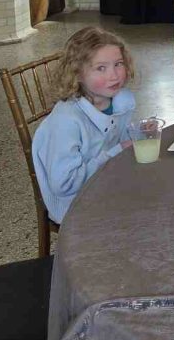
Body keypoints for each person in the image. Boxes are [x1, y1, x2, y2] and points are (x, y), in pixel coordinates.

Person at [32, 27, 135, 224]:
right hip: (75, 206)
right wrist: (116, 152)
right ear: (77, 73)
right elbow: (64, 184)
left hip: (109, 185)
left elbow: (119, 141)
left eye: (118, 64)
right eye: (101, 68)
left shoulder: (121, 100)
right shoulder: (66, 120)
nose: (114, 76)